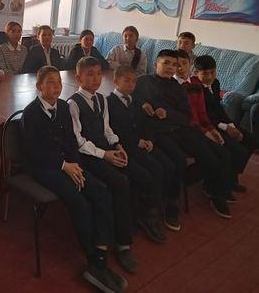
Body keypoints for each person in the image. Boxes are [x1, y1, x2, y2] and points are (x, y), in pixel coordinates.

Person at [22, 66, 127, 293]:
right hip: (45, 168)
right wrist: (63, 165)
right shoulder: (31, 113)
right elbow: (32, 152)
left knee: (101, 193)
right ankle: (92, 260)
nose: (56, 87)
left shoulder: (63, 107)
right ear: (39, 86)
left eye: (59, 82)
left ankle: (100, 254)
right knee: (79, 202)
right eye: (50, 82)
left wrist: (75, 164)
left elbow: (71, 141)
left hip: (69, 165)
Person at [133, 49, 233, 219]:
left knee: (216, 156)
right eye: (166, 63)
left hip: (181, 129)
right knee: (178, 160)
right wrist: (142, 104)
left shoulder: (178, 88)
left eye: (174, 65)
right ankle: (172, 202)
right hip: (158, 133)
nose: (171, 67)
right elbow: (131, 98)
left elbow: (186, 117)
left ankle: (215, 193)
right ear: (155, 64)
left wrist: (168, 114)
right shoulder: (143, 81)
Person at [68, 56, 138, 275]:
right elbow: (78, 141)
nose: (96, 79)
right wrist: (104, 155)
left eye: (99, 74)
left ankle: (125, 230)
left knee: (133, 174)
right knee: (119, 182)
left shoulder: (101, 99)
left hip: (106, 151)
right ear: (78, 77)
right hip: (88, 156)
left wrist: (116, 144)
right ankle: (120, 243)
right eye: (89, 74)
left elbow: (106, 129)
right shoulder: (73, 104)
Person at [107, 65, 179, 237]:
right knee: (155, 169)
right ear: (115, 81)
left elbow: (145, 123)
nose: (131, 85)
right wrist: (138, 142)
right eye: (127, 81)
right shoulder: (109, 103)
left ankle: (159, 203)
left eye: (134, 82)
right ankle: (148, 214)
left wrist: (149, 140)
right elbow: (114, 130)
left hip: (143, 143)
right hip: (127, 146)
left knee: (170, 165)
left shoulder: (136, 101)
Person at [174, 50, 243, 203]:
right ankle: (214, 193)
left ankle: (219, 189)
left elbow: (202, 112)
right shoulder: (173, 87)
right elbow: (186, 118)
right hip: (186, 132)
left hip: (201, 129)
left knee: (225, 154)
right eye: (176, 65)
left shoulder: (195, 84)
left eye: (184, 63)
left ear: (190, 65)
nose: (180, 68)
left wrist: (211, 129)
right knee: (215, 158)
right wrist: (206, 132)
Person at [193, 55, 253, 191]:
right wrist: (225, 128)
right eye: (205, 73)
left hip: (219, 122)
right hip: (206, 126)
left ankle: (231, 177)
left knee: (250, 140)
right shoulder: (194, 88)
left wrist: (231, 125)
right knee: (237, 150)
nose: (209, 77)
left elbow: (218, 107)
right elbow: (201, 115)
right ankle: (216, 185)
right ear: (196, 73)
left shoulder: (215, 83)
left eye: (212, 72)